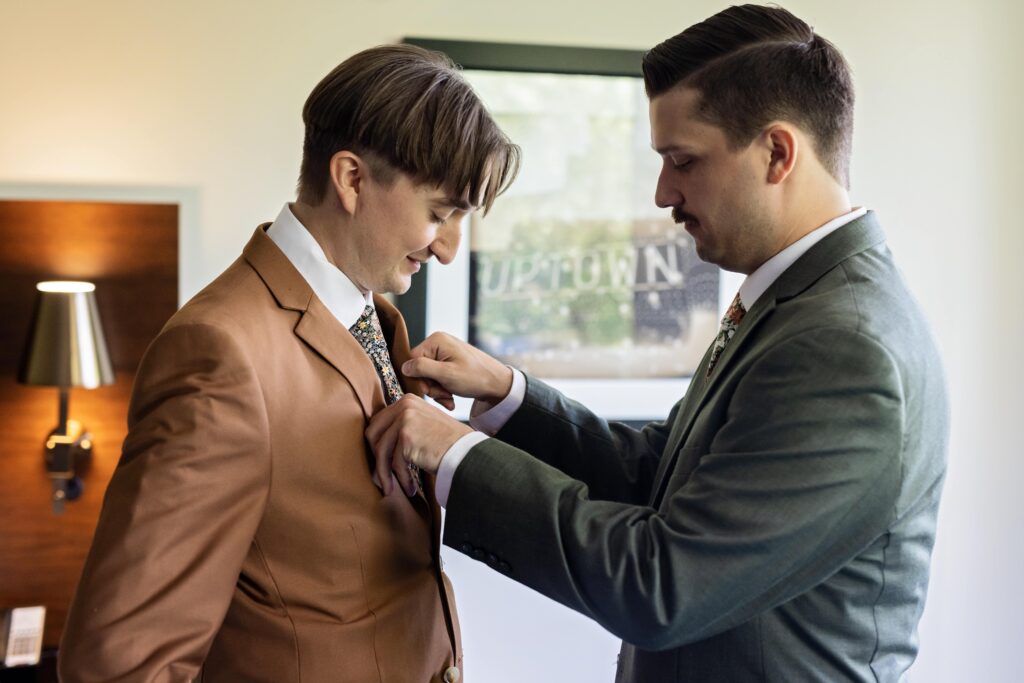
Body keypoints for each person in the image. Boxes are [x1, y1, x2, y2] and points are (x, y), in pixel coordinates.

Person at [366, 5, 949, 682]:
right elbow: (663, 477)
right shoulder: (802, 303)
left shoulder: (846, 344)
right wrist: (508, 395)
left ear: (778, 153)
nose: (663, 193)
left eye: (683, 161)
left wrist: (456, 455)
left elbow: (661, 585)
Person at [59, 44, 518, 683]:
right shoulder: (221, 354)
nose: (447, 249)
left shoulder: (375, 321)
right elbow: (122, 661)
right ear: (352, 179)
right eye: (439, 214)